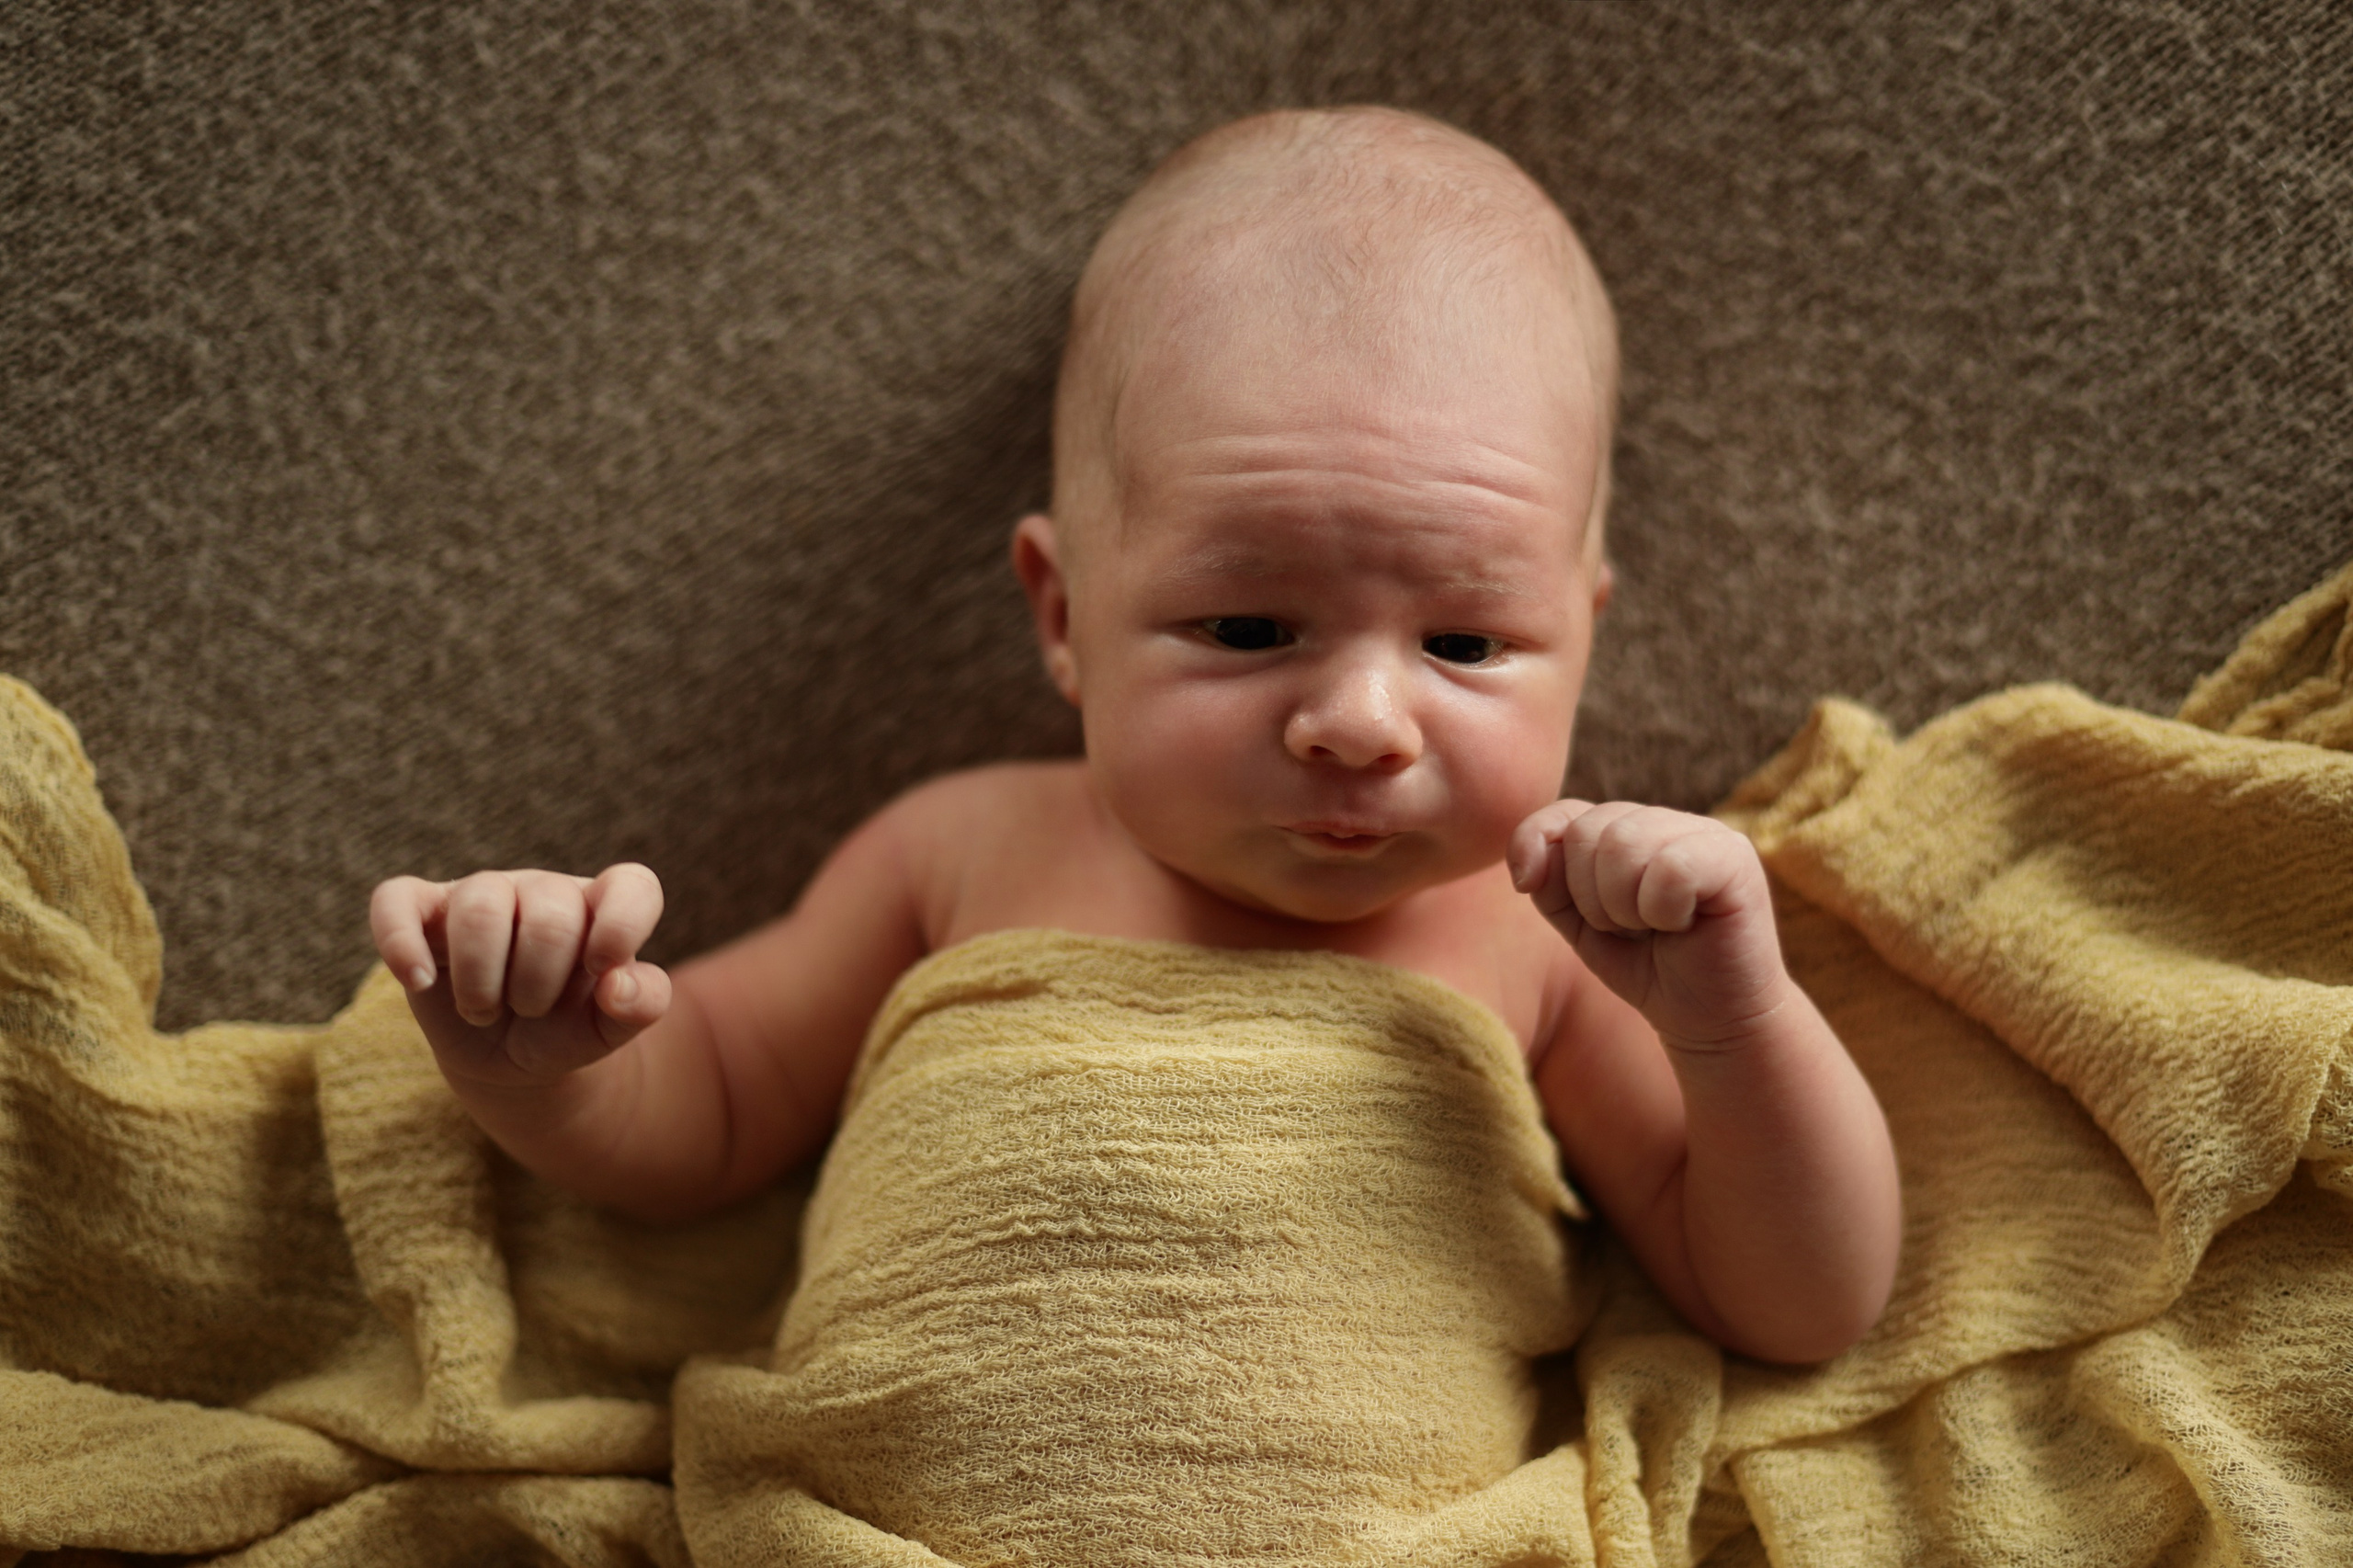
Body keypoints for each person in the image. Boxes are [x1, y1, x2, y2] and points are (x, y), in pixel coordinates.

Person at [369, 106, 1900, 1366]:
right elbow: (699, 1116)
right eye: (1247, 629)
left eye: (1464, 643)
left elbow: (1801, 1307)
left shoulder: (1553, 943)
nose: (1361, 723)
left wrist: (1734, 1023)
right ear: (1061, 616)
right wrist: (543, 1057)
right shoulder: (955, 850)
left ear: (1584, 631)